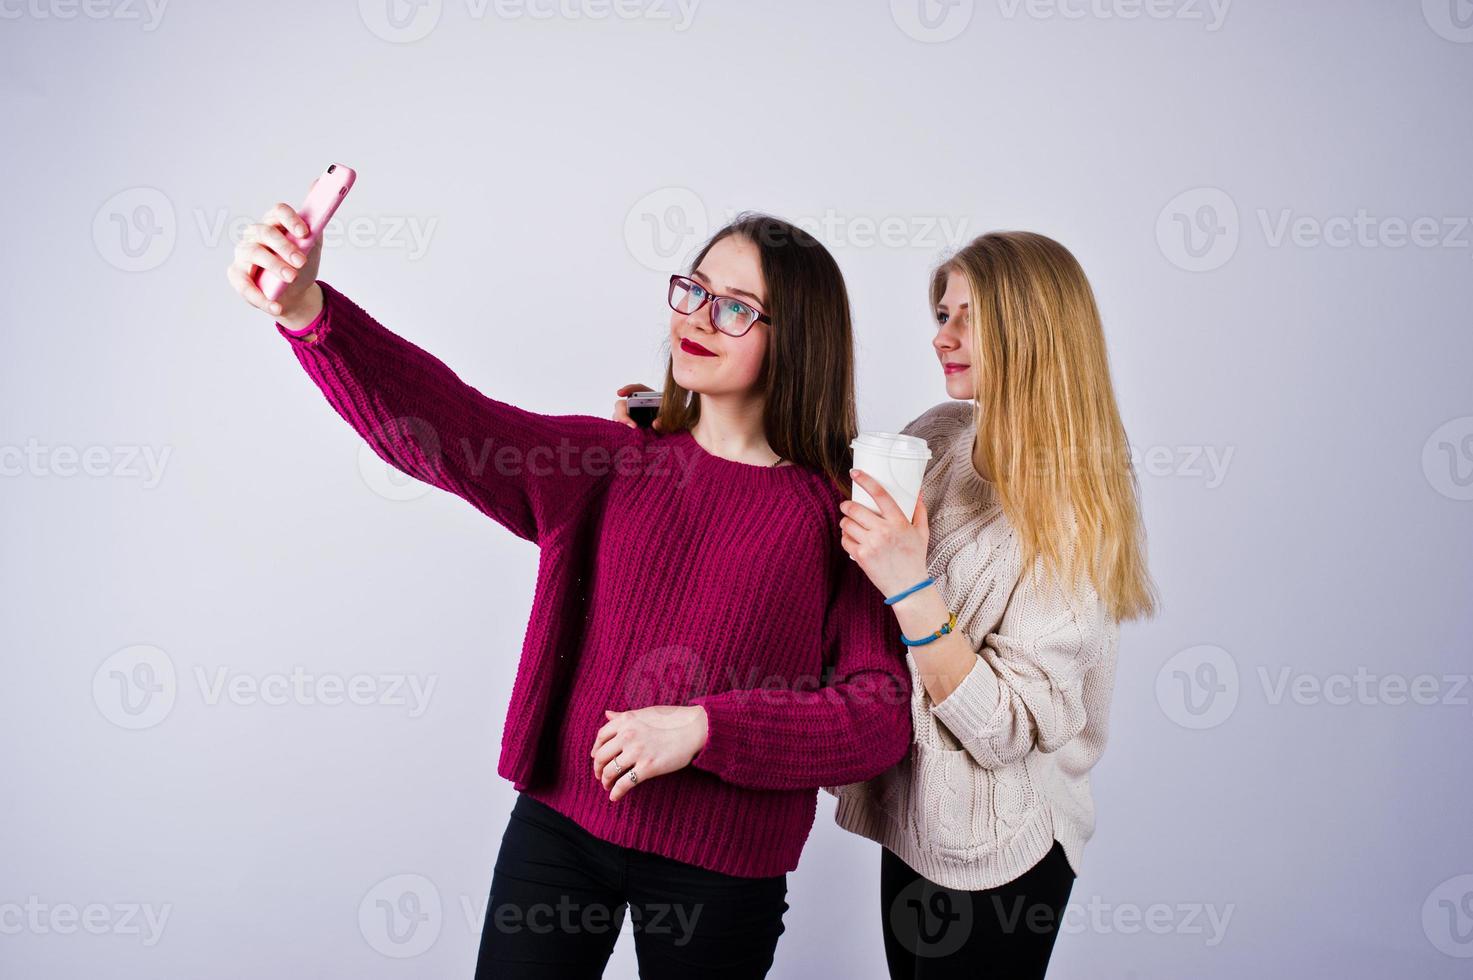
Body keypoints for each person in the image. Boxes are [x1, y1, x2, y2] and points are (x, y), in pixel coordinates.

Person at [226, 206, 913, 979]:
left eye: (735, 308)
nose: (698, 319)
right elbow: (446, 427)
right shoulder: (611, 463)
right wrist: (310, 314)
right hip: (559, 833)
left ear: (799, 340)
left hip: (721, 870)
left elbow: (876, 716)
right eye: (693, 291)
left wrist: (704, 729)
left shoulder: (841, 515)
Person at [614, 230, 1157, 979]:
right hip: (921, 823)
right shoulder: (941, 432)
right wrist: (685, 428)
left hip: (1004, 854)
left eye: (969, 317)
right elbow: (820, 502)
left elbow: (1004, 730)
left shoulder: (1071, 506)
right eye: (942, 313)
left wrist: (908, 585)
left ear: (1030, 331)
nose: (944, 335)